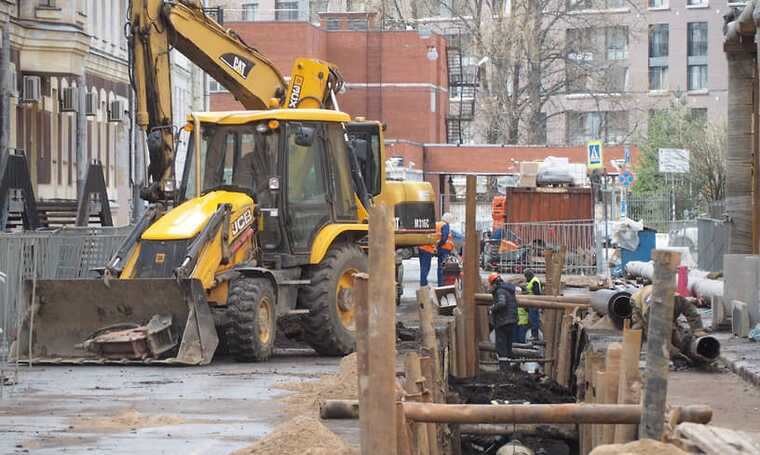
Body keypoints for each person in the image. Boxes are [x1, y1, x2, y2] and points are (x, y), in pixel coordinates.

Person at [631, 285, 707, 359]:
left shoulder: (679, 300)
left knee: (671, 330)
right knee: (639, 328)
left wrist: (698, 330)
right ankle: (632, 356)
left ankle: (680, 351)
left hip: (656, 297)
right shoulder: (651, 310)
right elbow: (654, 335)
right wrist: (672, 351)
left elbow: (692, 313)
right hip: (638, 303)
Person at [488, 273, 518, 371]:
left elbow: (501, 303)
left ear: (494, 283)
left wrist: (492, 308)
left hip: (503, 322)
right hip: (511, 320)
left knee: (501, 346)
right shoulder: (509, 290)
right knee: (508, 345)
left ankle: (504, 369)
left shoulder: (500, 291)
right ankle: (508, 367)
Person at [436, 213, 455, 286]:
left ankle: (440, 283)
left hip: (440, 248)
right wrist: (441, 244)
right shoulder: (445, 225)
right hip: (445, 249)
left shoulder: (438, 224)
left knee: (439, 267)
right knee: (444, 267)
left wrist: (438, 246)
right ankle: (443, 284)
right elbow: (444, 238)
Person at [523, 269, 542, 340]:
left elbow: (537, 293)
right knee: (533, 319)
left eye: (526, 277)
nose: (526, 278)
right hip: (532, 303)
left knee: (534, 320)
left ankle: (535, 336)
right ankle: (534, 335)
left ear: (529, 275)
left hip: (534, 303)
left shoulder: (534, 281)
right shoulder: (533, 280)